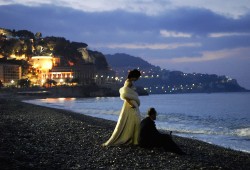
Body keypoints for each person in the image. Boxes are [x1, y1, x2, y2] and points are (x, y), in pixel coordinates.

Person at [102, 69, 141, 146]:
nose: (138, 79)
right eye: (138, 77)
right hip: (130, 105)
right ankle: (134, 140)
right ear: (134, 76)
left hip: (131, 104)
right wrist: (131, 104)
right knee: (135, 121)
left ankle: (134, 140)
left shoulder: (129, 82)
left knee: (133, 121)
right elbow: (125, 95)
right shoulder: (128, 83)